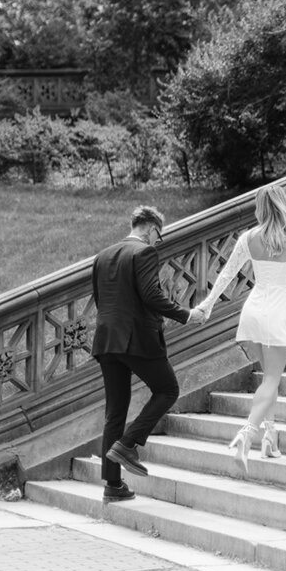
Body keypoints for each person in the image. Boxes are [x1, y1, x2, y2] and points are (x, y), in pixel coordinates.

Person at [196, 184, 286, 471]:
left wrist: (209, 303)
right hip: (277, 313)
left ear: (261, 208)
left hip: (252, 313)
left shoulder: (248, 238)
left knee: (267, 379)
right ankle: (247, 433)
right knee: (272, 380)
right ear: (283, 205)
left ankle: (270, 438)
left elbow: (227, 273)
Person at [91, 205, 204, 503]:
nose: (157, 242)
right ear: (152, 228)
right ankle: (128, 444)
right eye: (159, 236)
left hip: (106, 341)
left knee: (115, 411)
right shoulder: (144, 253)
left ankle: (112, 486)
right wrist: (187, 314)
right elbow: (151, 295)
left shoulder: (102, 256)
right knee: (167, 389)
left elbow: (101, 298)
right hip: (136, 339)